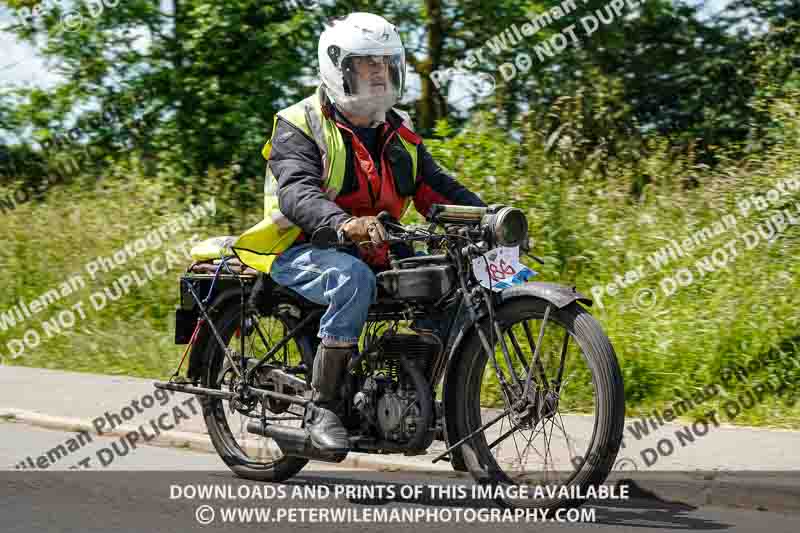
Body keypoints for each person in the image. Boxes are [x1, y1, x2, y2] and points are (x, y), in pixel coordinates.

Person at [248, 13, 486, 453]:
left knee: (454, 276)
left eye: (384, 61)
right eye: (365, 62)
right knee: (351, 279)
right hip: (301, 248)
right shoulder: (300, 122)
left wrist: (488, 218)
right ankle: (324, 406)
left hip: (377, 248)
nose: (378, 70)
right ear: (338, 69)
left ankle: (437, 404)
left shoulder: (398, 130)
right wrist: (343, 223)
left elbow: (436, 190)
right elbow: (296, 192)